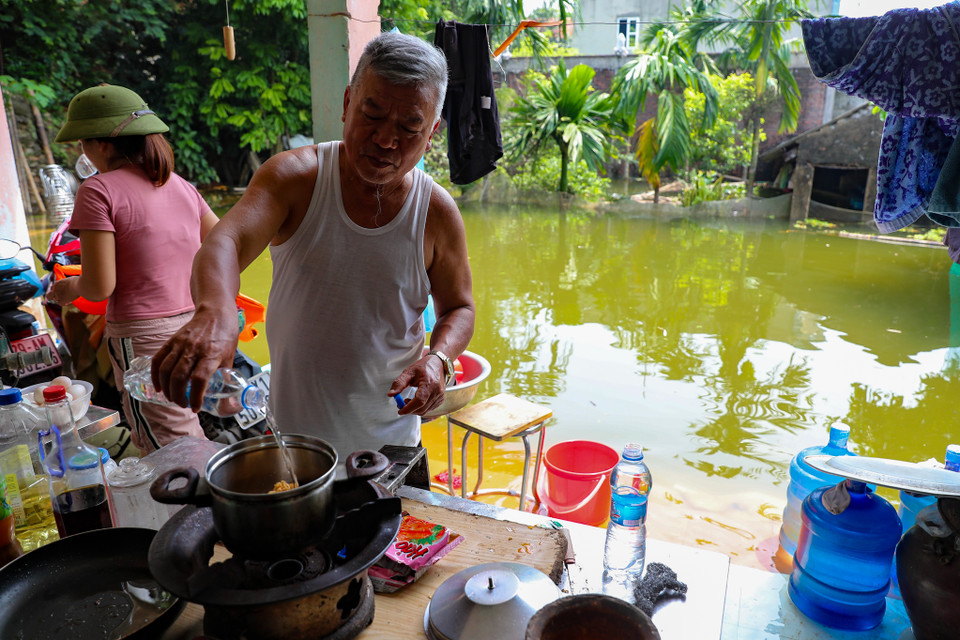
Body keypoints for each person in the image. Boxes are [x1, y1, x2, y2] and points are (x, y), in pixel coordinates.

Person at [151, 32, 475, 464]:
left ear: (432, 133)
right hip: (295, 444)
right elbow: (226, 240)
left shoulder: (436, 212)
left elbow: (460, 307)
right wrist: (216, 310)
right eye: (372, 115)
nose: (385, 140)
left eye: (409, 128)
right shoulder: (295, 179)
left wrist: (439, 360)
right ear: (347, 103)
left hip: (391, 449)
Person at [46, 84, 219, 453]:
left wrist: (69, 288)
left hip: (144, 340)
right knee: (187, 428)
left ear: (103, 145)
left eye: (83, 142)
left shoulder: (97, 190)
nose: (82, 151)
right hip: (195, 328)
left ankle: (205, 491)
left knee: (169, 447)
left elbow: (99, 287)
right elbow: (223, 246)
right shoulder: (180, 185)